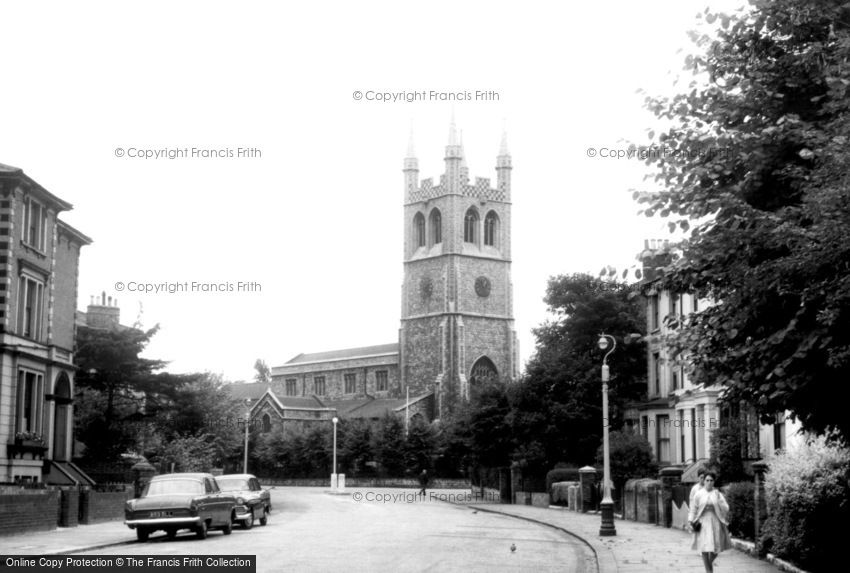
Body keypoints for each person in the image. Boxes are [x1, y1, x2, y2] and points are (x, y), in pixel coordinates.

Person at [688, 471, 732, 573]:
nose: (709, 482)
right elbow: (693, 509)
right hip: (702, 522)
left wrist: (719, 499)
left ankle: (708, 566)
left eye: (711, 480)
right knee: (704, 547)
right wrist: (690, 520)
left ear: (714, 481)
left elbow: (726, 508)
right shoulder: (698, 494)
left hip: (715, 521)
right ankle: (709, 571)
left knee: (716, 548)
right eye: (707, 480)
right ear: (704, 481)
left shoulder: (717, 493)